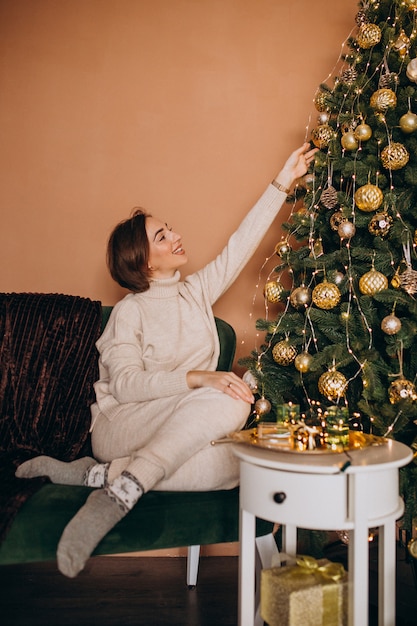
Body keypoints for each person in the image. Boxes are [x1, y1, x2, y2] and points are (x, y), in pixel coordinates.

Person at [15, 143, 317, 577]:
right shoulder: (129, 312)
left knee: (240, 461)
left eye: (169, 229)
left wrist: (282, 181)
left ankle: (105, 479)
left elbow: (241, 245)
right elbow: (126, 386)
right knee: (230, 398)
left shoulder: (195, 292)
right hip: (122, 425)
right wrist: (199, 378)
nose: (175, 236)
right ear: (143, 262)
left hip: (175, 424)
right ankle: (118, 491)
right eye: (162, 236)